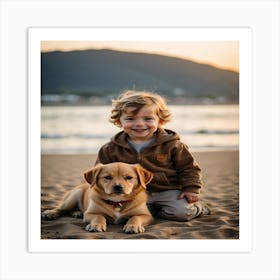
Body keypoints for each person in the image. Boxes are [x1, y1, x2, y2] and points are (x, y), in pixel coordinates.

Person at [95, 90, 210, 221]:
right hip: (133, 194)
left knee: (182, 214)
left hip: (168, 190)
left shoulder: (173, 145)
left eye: (148, 119)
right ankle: (152, 211)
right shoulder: (111, 148)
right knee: (125, 216)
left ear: (160, 121)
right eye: (130, 119)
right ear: (119, 122)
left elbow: (189, 168)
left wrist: (191, 188)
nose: (139, 124)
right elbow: (99, 173)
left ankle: (200, 208)